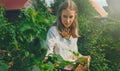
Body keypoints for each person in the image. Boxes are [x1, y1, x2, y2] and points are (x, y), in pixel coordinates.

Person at [45, 0, 90, 70]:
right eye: (65, 16)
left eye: (71, 17)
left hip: (72, 68)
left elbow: (73, 53)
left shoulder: (73, 33)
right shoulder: (54, 31)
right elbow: (48, 51)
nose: (68, 20)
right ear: (60, 15)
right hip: (58, 68)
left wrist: (82, 57)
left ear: (75, 16)